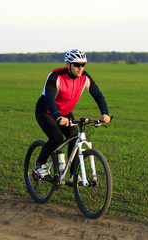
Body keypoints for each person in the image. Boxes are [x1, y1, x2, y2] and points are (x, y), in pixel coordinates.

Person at [34, 49, 110, 179]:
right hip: (45, 111)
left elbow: (98, 95)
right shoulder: (55, 76)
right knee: (56, 138)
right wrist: (58, 117)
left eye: (83, 65)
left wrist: (105, 113)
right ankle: (39, 165)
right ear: (68, 65)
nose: (80, 68)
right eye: (77, 65)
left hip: (65, 112)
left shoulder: (85, 77)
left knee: (74, 138)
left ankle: (73, 175)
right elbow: (49, 99)